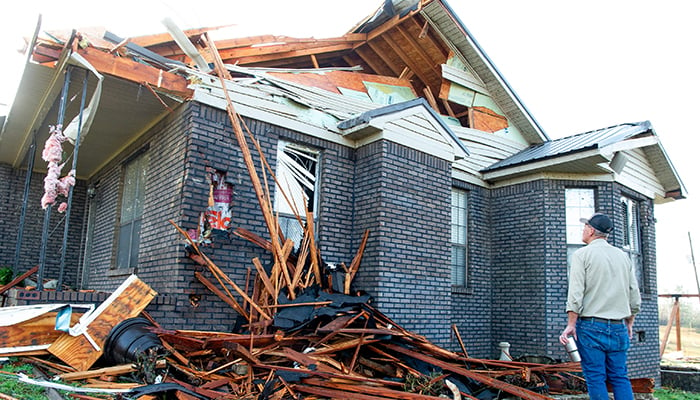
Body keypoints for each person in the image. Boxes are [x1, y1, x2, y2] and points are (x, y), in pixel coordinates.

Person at [559, 212, 642, 400]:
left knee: (596, 377)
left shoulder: (582, 255)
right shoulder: (623, 257)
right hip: (619, 326)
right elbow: (634, 297)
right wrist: (629, 322)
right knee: (620, 377)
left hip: (591, 327)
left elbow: (575, 294)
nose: (582, 230)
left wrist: (571, 324)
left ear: (591, 230)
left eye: (584, 227)